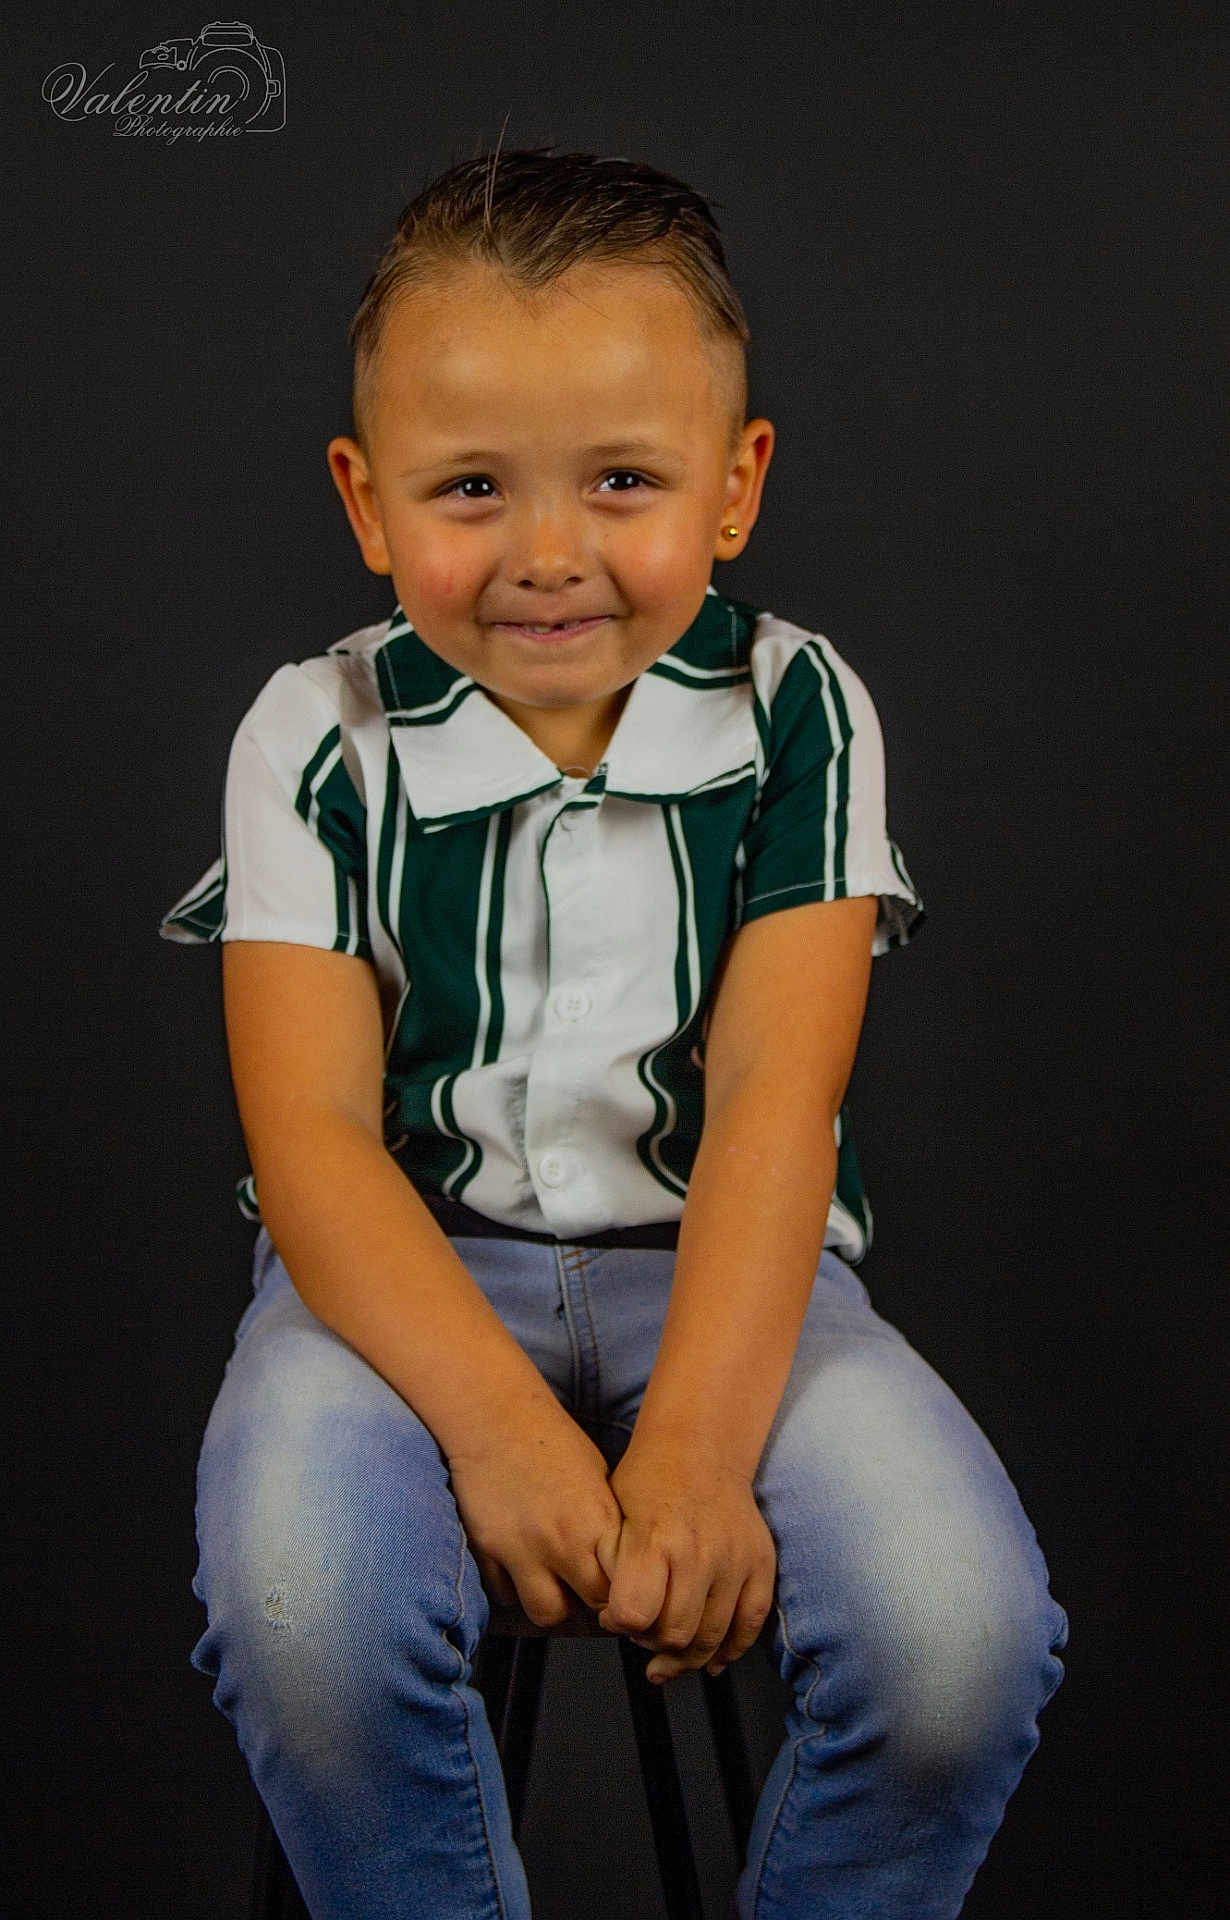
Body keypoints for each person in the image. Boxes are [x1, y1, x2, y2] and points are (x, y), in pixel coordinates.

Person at [161, 146, 1069, 1920]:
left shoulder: (796, 706)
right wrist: (498, 1430)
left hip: (731, 1276)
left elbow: (769, 1098)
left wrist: (700, 1456)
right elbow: (316, 1140)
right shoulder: (315, 735)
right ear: (366, 500)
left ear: (736, 490)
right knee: (305, 1620)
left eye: (625, 480)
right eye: (472, 487)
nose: (549, 553)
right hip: (395, 1286)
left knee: (957, 1645)